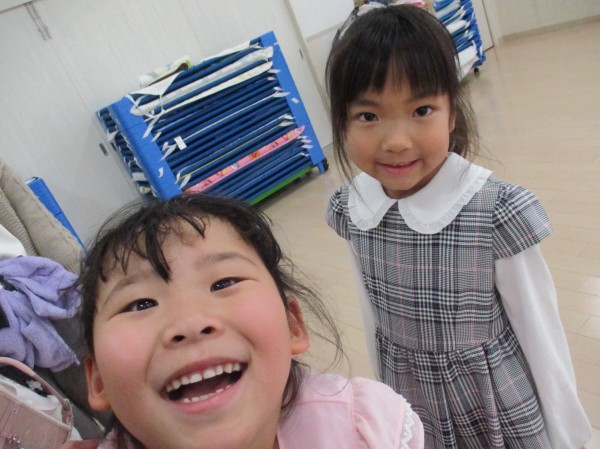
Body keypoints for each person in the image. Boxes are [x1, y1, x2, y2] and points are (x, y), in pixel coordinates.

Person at [325, 4, 592, 449]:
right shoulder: (354, 209)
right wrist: (386, 401)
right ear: (342, 124)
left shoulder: (494, 211)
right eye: (368, 116)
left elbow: (540, 332)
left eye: (422, 109)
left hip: (492, 404)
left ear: (452, 112)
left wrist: (566, 435)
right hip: (411, 398)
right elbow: (374, 318)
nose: (396, 141)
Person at [63, 193, 424, 449]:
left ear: (292, 325)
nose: (189, 322)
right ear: (97, 380)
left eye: (223, 283)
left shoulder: (365, 428)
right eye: (140, 303)